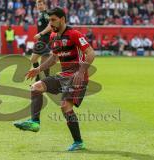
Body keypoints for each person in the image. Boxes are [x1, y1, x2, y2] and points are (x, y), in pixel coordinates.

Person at [14, 7, 95, 151]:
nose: (50, 23)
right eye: (49, 20)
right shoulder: (53, 36)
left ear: (62, 19)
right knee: (36, 87)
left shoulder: (74, 34)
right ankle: (35, 122)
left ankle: (78, 142)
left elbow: (90, 53)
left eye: (53, 20)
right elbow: (54, 58)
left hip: (78, 77)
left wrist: (81, 71)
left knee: (65, 107)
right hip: (64, 75)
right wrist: (38, 69)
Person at [31, 0, 52, 81]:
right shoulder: (40, 14)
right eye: (38, 4)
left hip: (46, 40)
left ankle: (44, 81)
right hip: (41, 40)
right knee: (33, 59)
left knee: (44, 63)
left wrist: (41, 34)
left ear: (44, 5)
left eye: (41, 4)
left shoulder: (46, 14)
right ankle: (39, 77)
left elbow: (50, 26)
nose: (39, 6)